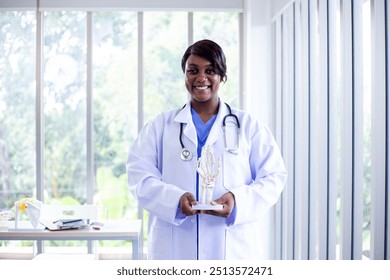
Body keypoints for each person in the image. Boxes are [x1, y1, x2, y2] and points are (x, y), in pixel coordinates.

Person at [126, 39, 287, 260]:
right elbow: (138, 175)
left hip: (232, 248)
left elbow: (273, 177)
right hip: (175, 248)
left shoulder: (249, 126)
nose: (201, 78)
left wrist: (237, 200)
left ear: (222, 76)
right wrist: (174, 200)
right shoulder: (160, 126)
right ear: (185, 76)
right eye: (193, 71)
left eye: (210, 70)